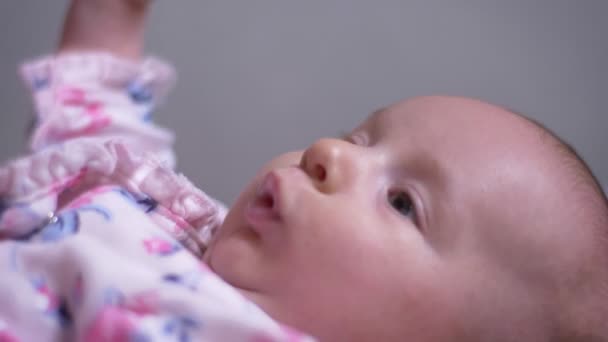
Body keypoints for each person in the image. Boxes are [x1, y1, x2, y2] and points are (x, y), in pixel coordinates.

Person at [1, 0, 607, 341]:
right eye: (359, 138)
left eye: (402, 202)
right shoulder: (167, 229)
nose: (329, 153)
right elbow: (97, 141)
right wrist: (111, 19)